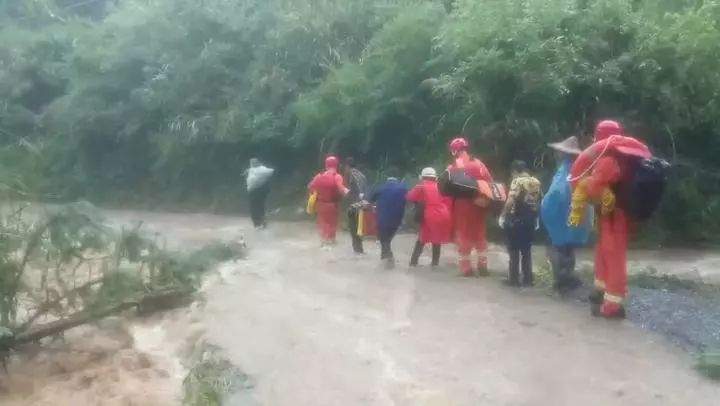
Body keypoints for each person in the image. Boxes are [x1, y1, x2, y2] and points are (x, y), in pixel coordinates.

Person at [569, 119, 651, 318]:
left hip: (616, 215)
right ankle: (600, 291)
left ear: (599, 137)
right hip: (613, 215)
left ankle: (612, 304)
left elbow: (597, 184)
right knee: (604, 252)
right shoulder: (623, 158)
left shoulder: (608, 160)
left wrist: (585, 188)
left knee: (613, 257)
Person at [540, 136, 592, 293]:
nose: (557, 154)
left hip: (560, 216)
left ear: (563, 154)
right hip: (575, 216)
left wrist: (544, 208)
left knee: (556, 249)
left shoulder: (564, 171)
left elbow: (556, 194)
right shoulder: (580, 171)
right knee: (569, 249)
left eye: (559, 152)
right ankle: (567, 277)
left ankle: (562, 280)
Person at [447, 137, 494, 277]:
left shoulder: (456, 165)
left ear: (455, 150)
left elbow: (448, 184)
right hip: (481, 203)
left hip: (463, 204)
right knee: (480, 234)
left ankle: (466, 268)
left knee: (463, 234)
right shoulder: (479, 163)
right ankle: (483, 265)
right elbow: (490, 181)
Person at [499, 161, 542, 287]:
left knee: (513, 250)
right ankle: (528, 279)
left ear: (515, 171)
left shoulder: (517, 181)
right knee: (526, 250)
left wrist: (503, 215)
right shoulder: (536, 182)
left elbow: (510, 201)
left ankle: (513, 279)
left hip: (516, 219)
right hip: (530, 219)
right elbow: (538, 201)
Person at [406, 167, 452, 267]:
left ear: (423, 176)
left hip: (430, 214)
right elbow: (449, 201)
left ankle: (413, 262)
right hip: (444, 214)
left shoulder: (421, 186)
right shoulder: (441, 187)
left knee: (422, 238)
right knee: (437, 239)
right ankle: (435, 264)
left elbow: (410, 197)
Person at [308, 156, 349, 247]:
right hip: (333, 204)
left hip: (320, 204)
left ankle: (324, 240)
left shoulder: (319, 176)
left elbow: (310, 187)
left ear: (326, 165)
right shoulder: (337, 176)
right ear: (336, 165)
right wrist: (349, 193)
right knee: (332, 223)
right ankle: (331, 240)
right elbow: (341, 188)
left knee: (323, 222)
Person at [370, 170, 408, 268]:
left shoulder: (382, 188)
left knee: (383, 240)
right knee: (387, 240)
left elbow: (371, 199)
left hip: (383, 219)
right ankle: (385, 262)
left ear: (387, 180)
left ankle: (388, 259)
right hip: (397, 221)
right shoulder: (403, 189)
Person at [343, 157, 369, 254]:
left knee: (353, 228)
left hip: (355, 205)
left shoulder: (351, 174)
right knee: (359, 228)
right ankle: (359, 249)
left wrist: (345, 193)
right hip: (362, 204)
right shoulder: (361, 175)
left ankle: (357, 250)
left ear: (347, 166)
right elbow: (364, 190)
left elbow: (356, 191)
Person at [246, 158, 275, 229]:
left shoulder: (259, 169)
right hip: (260, 191)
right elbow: (271, 171)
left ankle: (258, 223)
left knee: (255, 207)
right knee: (260, 206)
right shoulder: (256, 169)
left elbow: (271, 171)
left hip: (255, 191)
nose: (252, 164)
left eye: (253, 163)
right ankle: (261, 222)